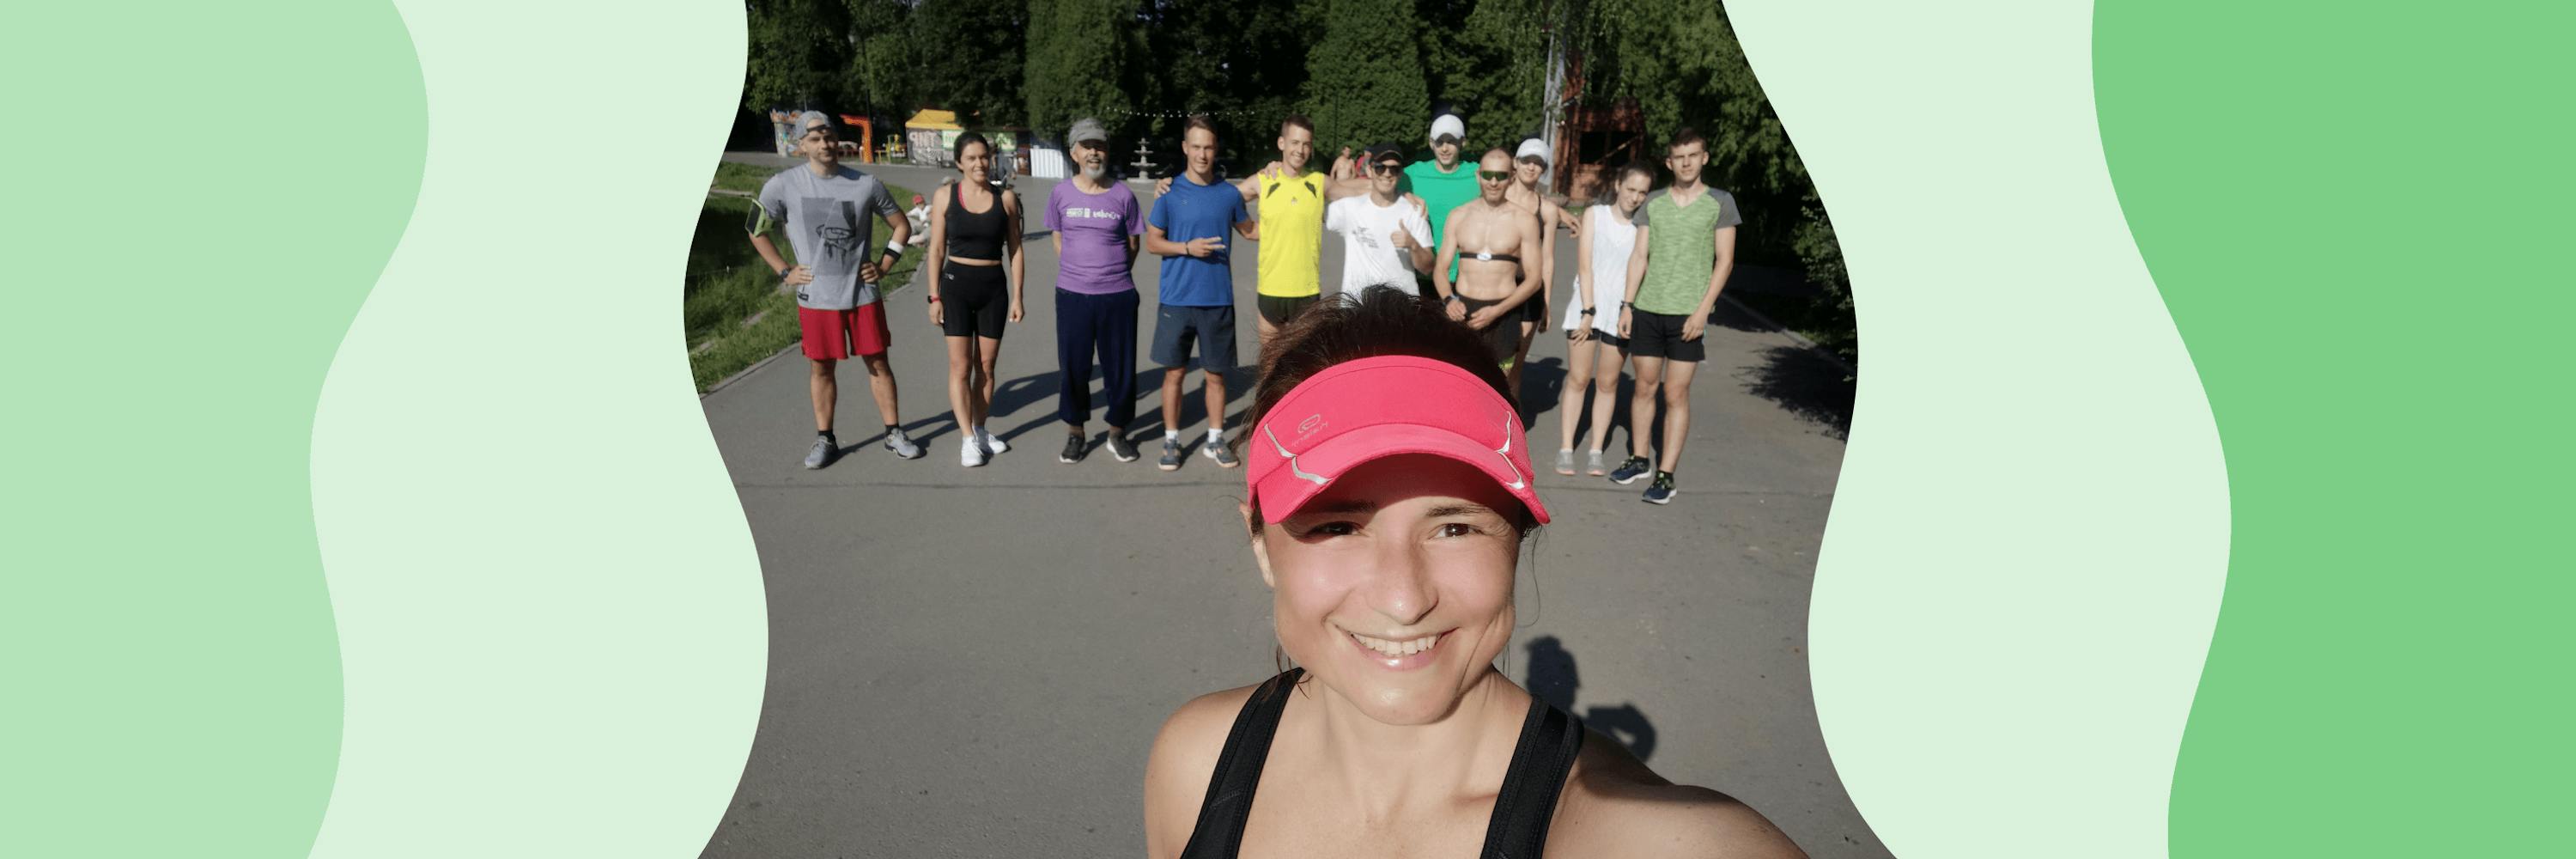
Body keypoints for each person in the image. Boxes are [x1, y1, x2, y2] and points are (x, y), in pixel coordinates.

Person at [1140, 287, 1806, 859]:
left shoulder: (1653, 838)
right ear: (1260, 543)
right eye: (1338, 526)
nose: (1404, 599)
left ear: (1517, 535)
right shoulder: (1194, 766)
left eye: (1454, 527)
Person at [750, 111, 922, 469]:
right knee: (821, 368)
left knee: (878, 363)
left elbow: (901, 225)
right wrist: (784, 271)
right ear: (802, 146)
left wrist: (886, 264)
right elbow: (755, 229)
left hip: (863, 294)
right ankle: (825, 439)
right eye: (815, 139)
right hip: (817, 298)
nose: (824, 144)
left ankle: (893, 433)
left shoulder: (865, 183)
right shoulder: (783, 185)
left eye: (829, 137)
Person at [1613, 128, 1741, 505]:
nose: (1686, 162)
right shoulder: (1653, 202)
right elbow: (1639, 256)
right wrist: (1627, 304)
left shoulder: (1720, 202)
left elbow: (1726, 260)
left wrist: (1703, 311)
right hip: (1649, 309)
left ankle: (1666, 474)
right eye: (1678, 157)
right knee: (1644, 387)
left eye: (1693, 155)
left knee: (1676, 393)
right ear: (1669, 162)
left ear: (1705, 158)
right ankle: (1640, 459)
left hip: (1688, 314)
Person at [1145, 116, 1258, 472]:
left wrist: (1297, 217)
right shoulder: (1169, 192)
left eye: (1208, 147)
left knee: (1215, 375)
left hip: (1217, 300)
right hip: (1176, 300)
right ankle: (1172, 440)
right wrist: (1187, 248)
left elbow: (1250, 230)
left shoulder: (1228, 194)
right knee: (1174, 374)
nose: (1202, 154)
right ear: (1185, 148)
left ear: (1215, 149)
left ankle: (1214, 439)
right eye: (1196, 146)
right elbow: (1152, 242)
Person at [1046, 117, 1148, 465]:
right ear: (1074, 152)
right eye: (1087, 146)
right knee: (1073, 367)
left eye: (1100, 146)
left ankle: (1117, 432)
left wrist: (1109, 273)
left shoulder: (1123, 195)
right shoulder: (1060, 194)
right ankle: (1075, 432)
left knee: (1120, 369)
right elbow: (1058, 238)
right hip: (1072, 296)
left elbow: (1133, 243)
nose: (1094, 152)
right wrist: (1081, 272)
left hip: (1117, 295)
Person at [921, 131, 1026, 467]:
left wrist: (1018, 297)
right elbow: (936, 249)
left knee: (986, 367)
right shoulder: (945, 196)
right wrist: (934, 295)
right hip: (955, 287)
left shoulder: (1006, 199)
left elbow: (1016, 249)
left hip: (993, 288)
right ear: (959, 163)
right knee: (960, 366)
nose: (979, 163)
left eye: (984, 157)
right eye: (972, 158)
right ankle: (967, 438)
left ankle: (981, 429)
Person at [1553, 163, 1653, 478]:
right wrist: (1587, 310)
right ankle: (1567, 447)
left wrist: (1629, 308)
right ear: (1619, 183)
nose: (1635, 197)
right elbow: (1585, 265)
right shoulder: (1595, 215)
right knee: (1579, 379)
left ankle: (1596, 449)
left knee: (1608, 383)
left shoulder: (1644, 228)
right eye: (1631, 189)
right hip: (1586, 307)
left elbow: (1640, 271)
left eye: (1642, 193)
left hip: (1621, 314)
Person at [1431, 149, 1544, 371]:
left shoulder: (1525, 221)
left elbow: (1534, 280)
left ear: (1511, 177)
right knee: (1460, 385)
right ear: (1478, 175)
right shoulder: (1459, 216)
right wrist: (1448, 300)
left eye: (1501, 176)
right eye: (1488, 175)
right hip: (1462, 313)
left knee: (1500, 388)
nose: (1493, 182)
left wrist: (1498, 310)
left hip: (1503, 315)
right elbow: (1440, 269)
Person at [1504, 137, 1582, 394]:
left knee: (1515, 366)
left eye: (1538, 163)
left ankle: (1514, 426)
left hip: (1529, 290)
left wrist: (1546, 302)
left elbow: (1547, 258)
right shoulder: (1496, 195)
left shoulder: (1547, 210)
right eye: (1527, 160)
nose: (1531, 167)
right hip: (1495, 287)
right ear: (1515, 163)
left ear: (1544, 170)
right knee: (1492, 362)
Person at [1322, 143, 1434, 297]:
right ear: (1369, 170)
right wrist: (1282, 168)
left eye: (1394, 169)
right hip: (1358, 307)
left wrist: (1413, 245)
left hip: (1401, 306)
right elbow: (1321, 187)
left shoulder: (1414, 211)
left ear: (1400, 173)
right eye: (1380, 168)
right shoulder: (1350, 208)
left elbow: (1428, 268)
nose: (1387, 174)